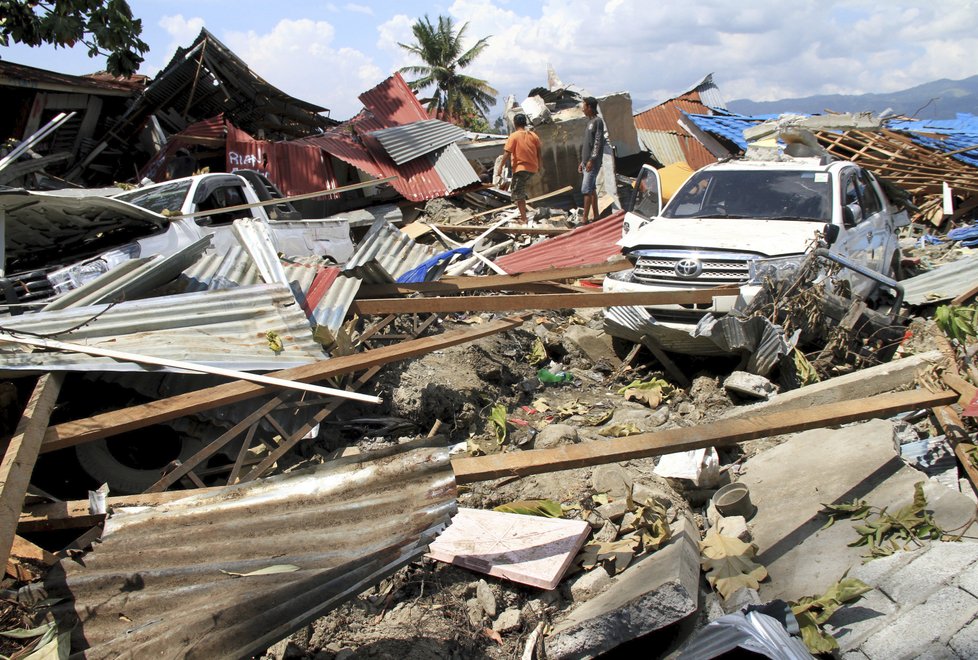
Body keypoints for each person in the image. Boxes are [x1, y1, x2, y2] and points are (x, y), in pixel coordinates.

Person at [497, 113, 542, 224]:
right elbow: (539, 153)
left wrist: (500, 167)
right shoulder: (534, 136)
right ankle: (524, 211)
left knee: (518, 193)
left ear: (515, 123)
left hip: (521, 168)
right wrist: (540, 166)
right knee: (519, 191)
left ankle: (524, 218)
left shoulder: (514, 136)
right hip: (532, 168)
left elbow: (507, 153)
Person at [578, 96, 606, 223]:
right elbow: (588, 144)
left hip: (592, 162)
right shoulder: (589, 122)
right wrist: (582, 162)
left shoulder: (597, 122)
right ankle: (596, 215)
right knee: (592, 188)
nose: (582, 109)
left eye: (584, 106)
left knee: (586, 190)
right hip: (586, 162)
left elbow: (597, 142)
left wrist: (591, 160)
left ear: (589, 107)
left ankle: (584, 219)